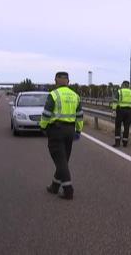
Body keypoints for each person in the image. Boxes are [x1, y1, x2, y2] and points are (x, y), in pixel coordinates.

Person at [40, 72, 83, 200]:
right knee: (63, 159)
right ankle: (54, 187)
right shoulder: (75, 96)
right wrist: (78, 130)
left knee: (60, 161)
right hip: (70, 130)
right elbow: (80, 116)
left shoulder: (54, 95)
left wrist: (43, 127)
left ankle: (68, 190)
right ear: (68, 82)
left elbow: (46, 114)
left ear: (55, 81)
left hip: (56, 131)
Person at [112, 81, 131, 147]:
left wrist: (114, 110)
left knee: (118, 126)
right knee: (127, 127)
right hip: (129, 112)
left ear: (123, 85)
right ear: (128, 85)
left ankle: (117, 143)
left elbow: (115, 101)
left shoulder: (119, 91)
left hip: (120, 111)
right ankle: (125, 143)